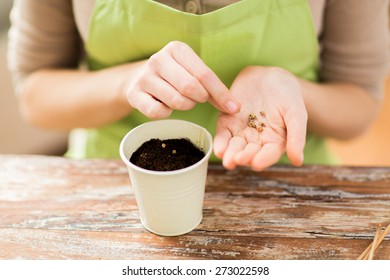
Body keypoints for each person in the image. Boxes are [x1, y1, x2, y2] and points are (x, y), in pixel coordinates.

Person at [7, 0, 390, 171]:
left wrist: (290, 88)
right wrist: (126, 81)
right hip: (113, 183)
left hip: (284, 180)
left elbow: (358, 104)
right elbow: (36, 95)